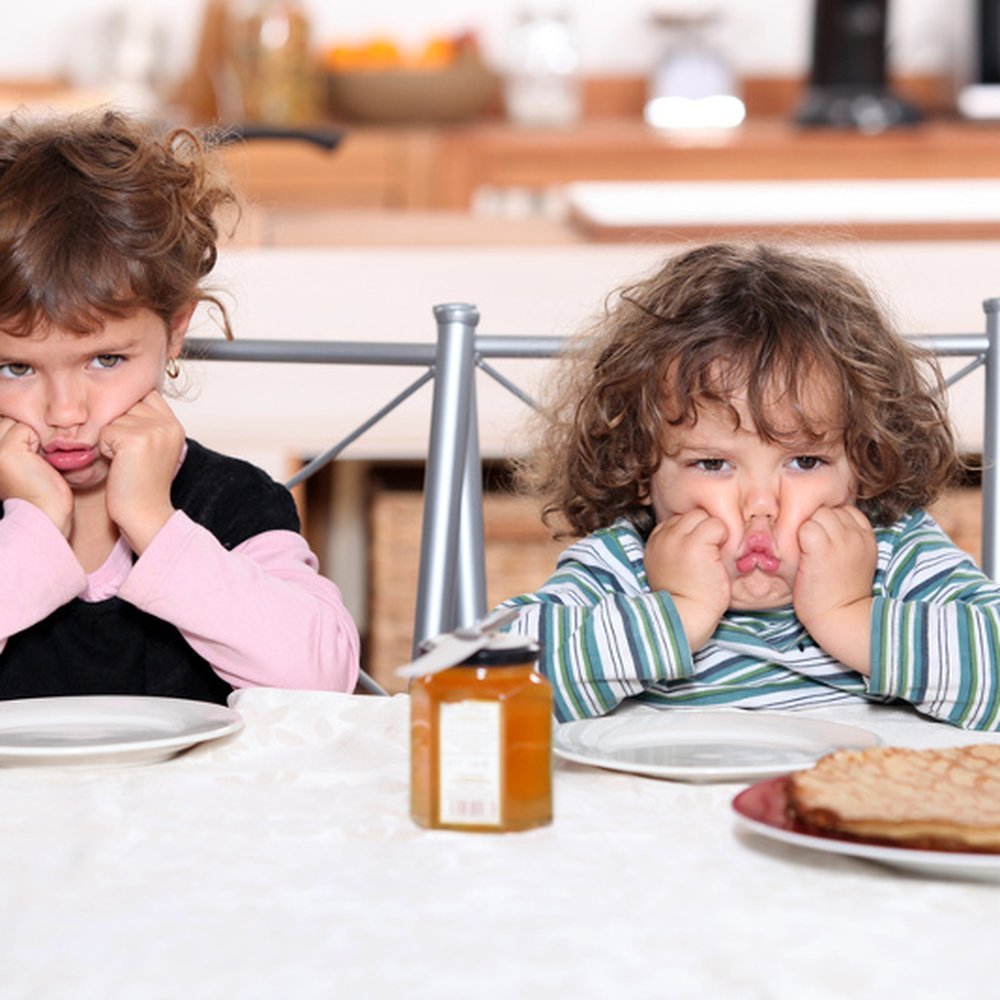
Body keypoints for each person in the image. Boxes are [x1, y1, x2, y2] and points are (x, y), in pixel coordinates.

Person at [501, 242, 1000, 730]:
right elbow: (476, 680)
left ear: (865, 464)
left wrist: (850, 616)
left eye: (804, 461)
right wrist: (675, 614)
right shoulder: (626, 565)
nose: (760, 505)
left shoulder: (893, 554)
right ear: (638, 469)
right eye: (714, 464)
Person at [0, 109, 359, 702]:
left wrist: (153, 522)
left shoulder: (231, 501)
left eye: (105, 361)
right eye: (16, 368)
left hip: (195, 799)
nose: (65, 412)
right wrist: (35, 527)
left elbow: (324, 678)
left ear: (174, 332)